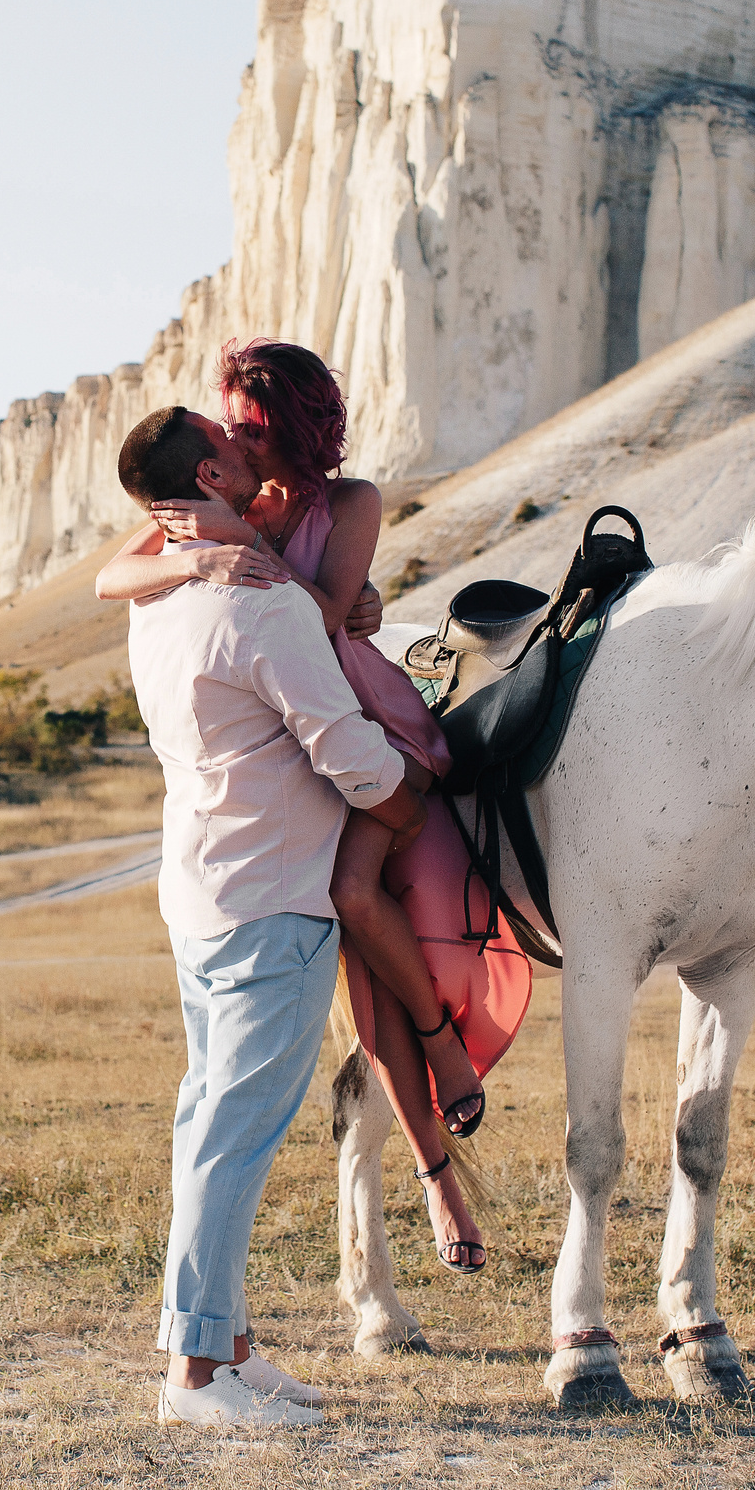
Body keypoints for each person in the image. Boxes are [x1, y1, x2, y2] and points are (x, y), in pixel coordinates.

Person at [97, 341, 489, 1275]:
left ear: (295, 427)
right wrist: (199, 560)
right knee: (352, 950)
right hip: (293, 742)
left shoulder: (345, 503)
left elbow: (322, 617)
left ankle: (445, 1065)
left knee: (360, 901)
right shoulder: (218, 505)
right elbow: (112, 577)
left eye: (251, 423)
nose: (234, 433)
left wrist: (328, 594)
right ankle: (438, 1165)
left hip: (357, 717)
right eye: (227, 420)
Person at [113, 402, 426, 1428]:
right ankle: (195, 1379)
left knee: (208, 1122)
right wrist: (413, 792)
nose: (249, 452)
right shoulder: (264, 603)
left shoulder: (157, 602)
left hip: (202, 892)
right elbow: (344, 753)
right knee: (230, 1141)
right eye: (228, 443)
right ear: (206, 478)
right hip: (274, 902)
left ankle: (230, 1351)